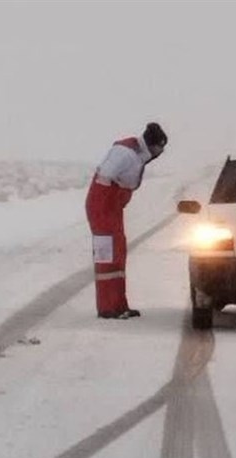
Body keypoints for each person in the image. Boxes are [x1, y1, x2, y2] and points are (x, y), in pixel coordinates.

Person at [85, 122, 168, 319]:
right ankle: (107, 307)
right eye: (159, 148)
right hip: (102, 208)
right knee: (107, 256)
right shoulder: (125, 152)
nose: (160, 153)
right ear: (151, 144)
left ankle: (119, 305)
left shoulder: (137, 154)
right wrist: (113, 197)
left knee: (119, 252)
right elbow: (105, 175)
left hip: (112, 209)